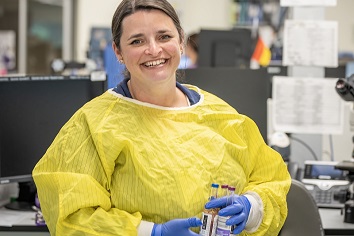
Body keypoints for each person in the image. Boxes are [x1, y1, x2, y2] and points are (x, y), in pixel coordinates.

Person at [32, 0, 291, 235]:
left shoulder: (221, 115)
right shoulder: (93, 124)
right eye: (137, 41)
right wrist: (152, 232)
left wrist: (252, 206)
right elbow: (70, 215)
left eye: (164, 36)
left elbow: (271, 179)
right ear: (118, 52)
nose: (153, 50)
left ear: (180, 42)